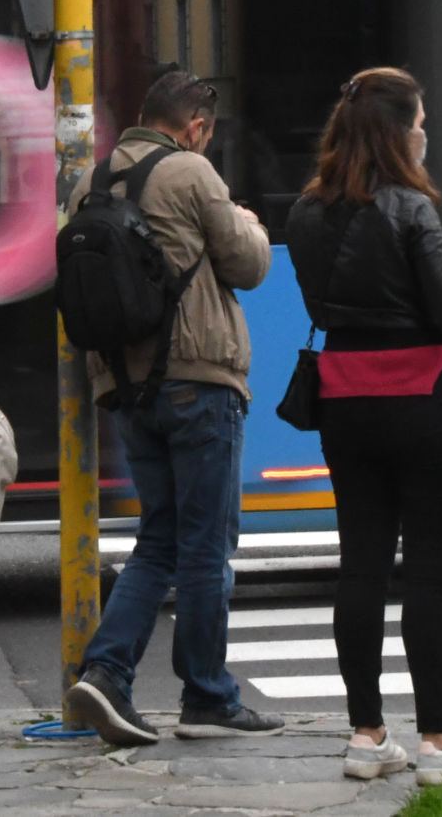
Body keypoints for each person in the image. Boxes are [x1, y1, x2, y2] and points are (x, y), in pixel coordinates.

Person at [286, 67, 442, 786]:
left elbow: (332, 305)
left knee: (360, 565)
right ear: (397, 132)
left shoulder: (304, 213)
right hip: (425, 399)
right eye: (419, 122)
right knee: (429, 575)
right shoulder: (411, 207)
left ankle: (366, 734)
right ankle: (440, 744)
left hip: (346, 402)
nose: (424, 132)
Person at [64, 70, 285, 745]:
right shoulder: (191, 172)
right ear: (195, 126)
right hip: (198, 382)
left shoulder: (91, 182)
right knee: (205, 541)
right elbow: (248, 264)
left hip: (128, 390)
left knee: (159, 537)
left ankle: (104, 672)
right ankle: (208, 694)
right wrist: (245, 220)